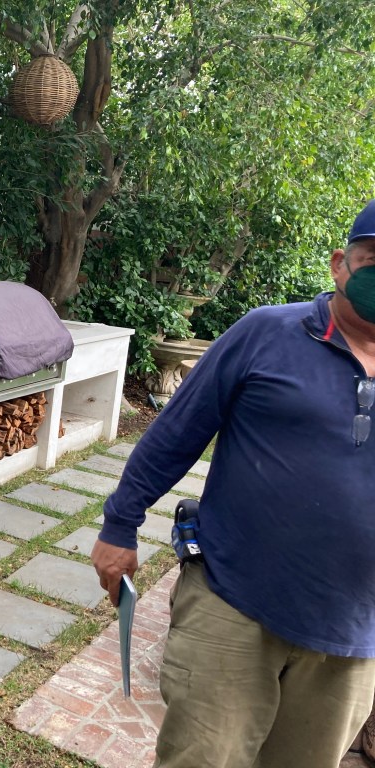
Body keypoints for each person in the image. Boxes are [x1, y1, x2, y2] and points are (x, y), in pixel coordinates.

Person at [91, 200, 375, 768]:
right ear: (340, 264)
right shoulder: (267, 334)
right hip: (234, 606)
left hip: (352, 633)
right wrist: (121, 523)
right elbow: (176, 431)